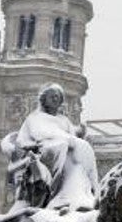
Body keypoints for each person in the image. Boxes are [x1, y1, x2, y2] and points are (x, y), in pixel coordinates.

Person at [6, 83, 98, 211]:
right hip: (40, 151)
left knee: (83, 147)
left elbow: (72, 137)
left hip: (62, 147)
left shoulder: (64, 120)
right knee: (63, 147)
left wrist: (78, 135)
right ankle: (61, 195)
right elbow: (40, 134)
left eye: (58, 97)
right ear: (44, 99)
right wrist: (67, 139)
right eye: (52, 96)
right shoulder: (35, 118)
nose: (55, 99)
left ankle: (85, 191)